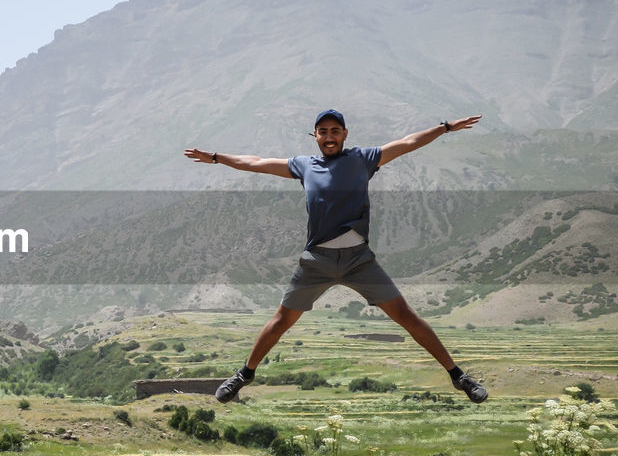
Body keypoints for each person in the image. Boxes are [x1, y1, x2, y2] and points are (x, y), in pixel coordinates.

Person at [184, 109, 488, 404]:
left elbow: (408, 143)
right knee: (281, 321)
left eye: (335, 131)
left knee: (406, 316)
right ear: (315, 136)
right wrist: (215, 158)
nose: (329, 136)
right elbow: (256, 162)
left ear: (345, 134)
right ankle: (244, 375)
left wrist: (445, 128)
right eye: (323, 131)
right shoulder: (304, 166)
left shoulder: (363, 159)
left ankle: (458, 376)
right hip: (317, 261)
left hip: (359, 261)